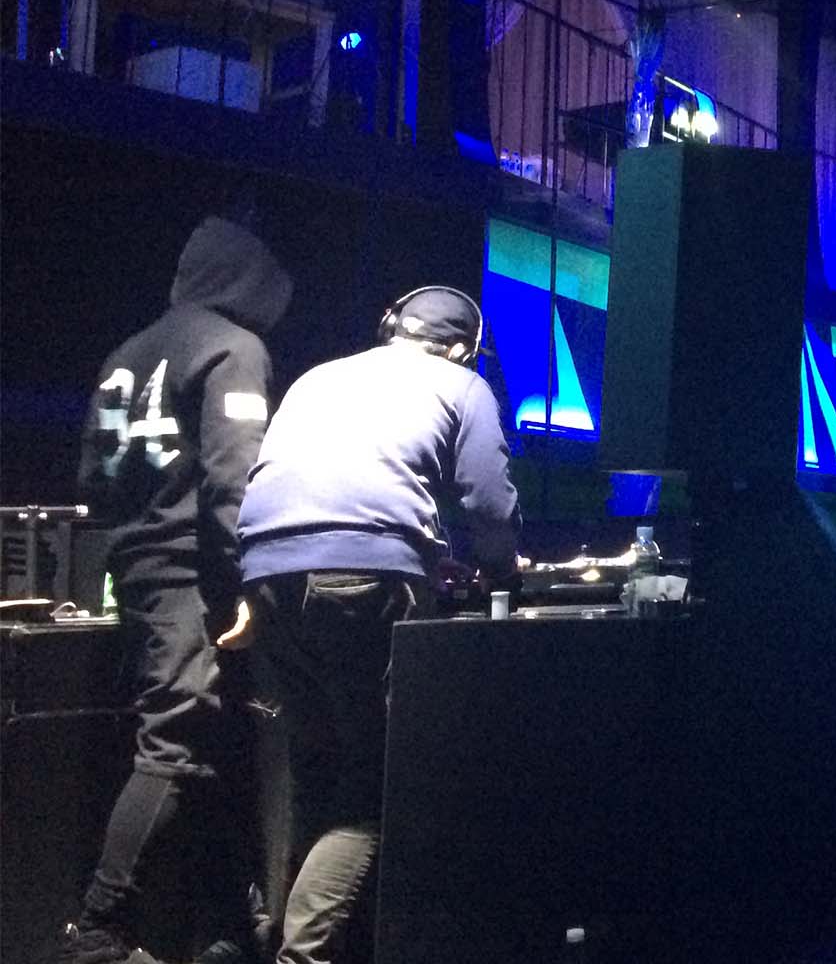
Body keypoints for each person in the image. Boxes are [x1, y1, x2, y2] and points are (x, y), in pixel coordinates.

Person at [231, 286, 521, 964]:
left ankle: (282, 936)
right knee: (375, 784)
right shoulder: (462, 385)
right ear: (462, 349)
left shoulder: (319, 376)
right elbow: (489, 504)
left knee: (316, 768)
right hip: (362, 579)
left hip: (268, 575)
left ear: (392, 327)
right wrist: (501, 570)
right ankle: (302, 957)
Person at [64, 215, 293, 964]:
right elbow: (235, 482)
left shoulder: (125, 353)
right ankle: (99, 930)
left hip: (133, 569)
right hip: (194, 575)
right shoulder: (234, 348)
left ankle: (228, 926)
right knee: (178, 740)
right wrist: (252, 582)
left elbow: (93, 476)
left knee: (210, 745)